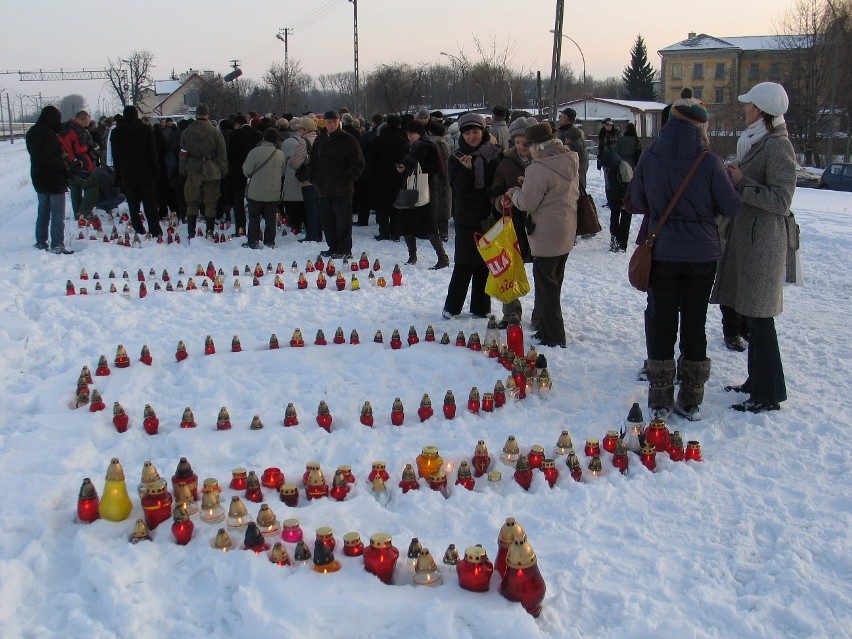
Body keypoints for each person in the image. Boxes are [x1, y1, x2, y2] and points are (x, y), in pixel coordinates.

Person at [627, 98, 741, 421]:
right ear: (700, 126)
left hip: (662, 252)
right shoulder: (709, 161)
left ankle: (660, 401)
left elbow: (636, 199)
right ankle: (690, 400)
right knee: (695, 322)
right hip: (702, 256)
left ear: (670, 121)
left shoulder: (650, 156)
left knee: (661, 321)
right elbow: (731, 206)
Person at [711, 82, 796, 414]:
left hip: (764, 243)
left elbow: (781, 200)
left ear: (760, 110)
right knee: (751, 316)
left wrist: (742, 182)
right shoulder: (758, 141)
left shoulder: (778, 146)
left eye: (748, 106)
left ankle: (769, 393)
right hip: (748, 240)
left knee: (761, 320)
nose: (744, 110)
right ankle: (756, 382)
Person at [504, 122, 577, 348]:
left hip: (545, 233)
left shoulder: (538, 167)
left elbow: (528, 203)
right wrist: (530, 185)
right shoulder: (569, 159)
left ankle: (553, 336)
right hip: (566, 229)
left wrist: (515, 192)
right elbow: (554, 190)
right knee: (555, 282)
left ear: (537, 146)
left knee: (547, 289)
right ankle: (547, 330)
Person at [442, 113, 502, 319]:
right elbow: (457, 188)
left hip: (489, 215)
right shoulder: (457, 157)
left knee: (485, 263)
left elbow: (497, 182)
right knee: (464, 262)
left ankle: (481, 307)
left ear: (482, 131)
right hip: (466, 217)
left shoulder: (495, 154)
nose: (471, 136)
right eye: (467, 133)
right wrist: (467, 171)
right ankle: (452, 307)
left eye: (475, 131)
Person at [489, 116, 535, 328]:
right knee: (509, 269)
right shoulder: (506, 162)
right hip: (513, 224)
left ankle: (542, 315)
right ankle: (511, 313)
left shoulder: (544, 160)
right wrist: (501, 201)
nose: (521, 147)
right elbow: (495, 191)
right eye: (517, 142)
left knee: (542, 273)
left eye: (525, 142)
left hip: (539, 224)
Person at [310, 110, 366, 259]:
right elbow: (313, 163)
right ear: (325, 123)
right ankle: (333, 246)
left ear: (339, 121)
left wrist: (346, 178)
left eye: (334, 121)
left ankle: (344, 248)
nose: (332, 124)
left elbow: (359, 164)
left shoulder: (348, 140)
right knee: (327, 221)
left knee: (343, 221)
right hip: (323, 189)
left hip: (342, 189)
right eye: (329, 122)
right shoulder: (319, 141)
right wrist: (315, 180)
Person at [397, 120, 450, 269]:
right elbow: (407, 166)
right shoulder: (409, 147)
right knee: (407, 221)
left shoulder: (427, 146)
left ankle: (442, 257)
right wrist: (403, 169)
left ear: (419, 133)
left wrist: (415, 165)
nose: (409, 136)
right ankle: (412, 255)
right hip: (409, 187)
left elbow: (434, 169)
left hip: (426, 188)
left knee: (429, 224)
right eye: (407, 133)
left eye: (412, 133)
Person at [110, 105, 162, 237]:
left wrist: (118, 175)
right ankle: (155, 230)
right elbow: (152, 153)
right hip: (146, 172)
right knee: (150, 203)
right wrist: (156, 171)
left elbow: (115, 157)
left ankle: (139, 229)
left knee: (133, 205)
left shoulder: (116, 133)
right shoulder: (145, 130)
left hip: (127, 173)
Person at [26, 105, 72, 254]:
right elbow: (52, 158)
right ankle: (57, 244)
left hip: (37, 175)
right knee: (58, 214)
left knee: (43, 212)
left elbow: (35, 154)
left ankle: (40, 242)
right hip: (53, 178)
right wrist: (65, 167)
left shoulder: (31, 133)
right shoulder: (50, 135)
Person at [179, 103, 228, 240]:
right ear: (207, 114)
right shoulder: (215, 132)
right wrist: (222, 170)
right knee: (210, 201)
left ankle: (191, 231)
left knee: (192, 201)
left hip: (193, 168)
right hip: (212, 169)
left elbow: (183, 152)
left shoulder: (187, 132)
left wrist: (182, 169)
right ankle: (210, 231)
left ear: (196, 114)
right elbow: (222, 153)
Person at [242, 127, 286, 249]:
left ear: (264, 137)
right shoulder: (280, 154)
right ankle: (269, 241)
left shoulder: (254, 152)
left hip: (255, 192)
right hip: (273, 192)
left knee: (254, 216)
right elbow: (282, 172)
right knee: (270, 218)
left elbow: (247, 171)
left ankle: (253, 240)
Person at [366, 114, 407, 242]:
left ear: (387, 124)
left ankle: (384, 232)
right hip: (398, 176)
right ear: (400, 125)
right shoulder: (404, 141)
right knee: (397, 205)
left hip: (380, 177)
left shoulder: (378, 140)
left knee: (382, 206)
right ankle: (396, 232)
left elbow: (369, 159)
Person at [58, 110, 99, 221]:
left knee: (75, 190)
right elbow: (79, 149)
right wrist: (89, 147)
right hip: (80, 164)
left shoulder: (63, 128)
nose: (87, 125)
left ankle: (78, 214)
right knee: (92, 186)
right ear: (79, 119)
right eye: (85, 122)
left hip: (67, 164)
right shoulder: (77, 131)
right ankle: (83, 213)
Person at [289, 117, 323, 242]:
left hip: (307, 179)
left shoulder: (303, 142)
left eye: (300, 129)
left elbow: (295, 163)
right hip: (320, 179)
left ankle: (312, 236)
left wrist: (289, 161)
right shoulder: (321, 140)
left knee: (311, 209)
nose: (299, 131)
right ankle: (319, 234)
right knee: (318, 209)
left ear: (305, 129)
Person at [228, 114, 263, 236]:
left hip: (239, 171)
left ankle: (240, 227)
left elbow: (230, 155)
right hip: (256, 172)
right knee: (255, 201)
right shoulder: (258, 135)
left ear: (237, 124)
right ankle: (256, 228)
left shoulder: (234, 135)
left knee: (239, 200)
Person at [599, 149, 633, 252]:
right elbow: (609, 185)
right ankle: (614, 239)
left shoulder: (624, 167)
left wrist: (625, 199)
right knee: (614, 217)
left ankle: (622, 243)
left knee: (625, 220)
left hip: (626, 197)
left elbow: (629, 185)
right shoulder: (609, 168)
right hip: (614, 196)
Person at [426, 119, 452, 242]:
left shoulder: (430, 145)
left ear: (430, 132)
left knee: (433, 205)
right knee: (443, 206)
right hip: (445, 179)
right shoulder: (446, 144)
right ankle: (443, 232)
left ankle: (433, 231)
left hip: (433, 178)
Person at [557, 108, 589, 190]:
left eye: (561, 116)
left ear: (567, 119)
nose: (559, 118)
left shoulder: (574, 133)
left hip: (575, 172)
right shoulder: (562, 132)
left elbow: (572, 152)